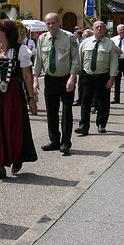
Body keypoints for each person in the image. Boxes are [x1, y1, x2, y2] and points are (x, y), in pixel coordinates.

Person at [0, 18, 38, 180]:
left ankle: (17, 157)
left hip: (13, 92)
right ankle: (0, 167)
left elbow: (27, 75)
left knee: (14, 125)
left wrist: (31, 97)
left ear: (7, 33)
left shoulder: (21, 50)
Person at [33, 13, 81, 156]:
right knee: (51, 112)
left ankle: (65, 142)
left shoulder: (69, 37)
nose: (51, 26)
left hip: (66, 78)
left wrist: (73, 77)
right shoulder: (42, 39)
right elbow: (39, 61)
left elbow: (75, 58)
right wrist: (35, 79)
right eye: (48, 23)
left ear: (58, 23)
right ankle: (54, 140)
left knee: (66, 111)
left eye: (53, 23)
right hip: (50, 79)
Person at [76, 21, 119, 135]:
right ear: (93, 29)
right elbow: (79, 58)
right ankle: (84, 125)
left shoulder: (110, 44)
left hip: (103, 76)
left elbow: (114, 62)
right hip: (87, 76)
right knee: (85, 101)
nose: (99, 29)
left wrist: (112, 78)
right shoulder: (85, 43)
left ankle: (101, 124)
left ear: (105, 29)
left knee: (103, 102)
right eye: (97, 27)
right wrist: (76, 74)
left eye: (101, 27)